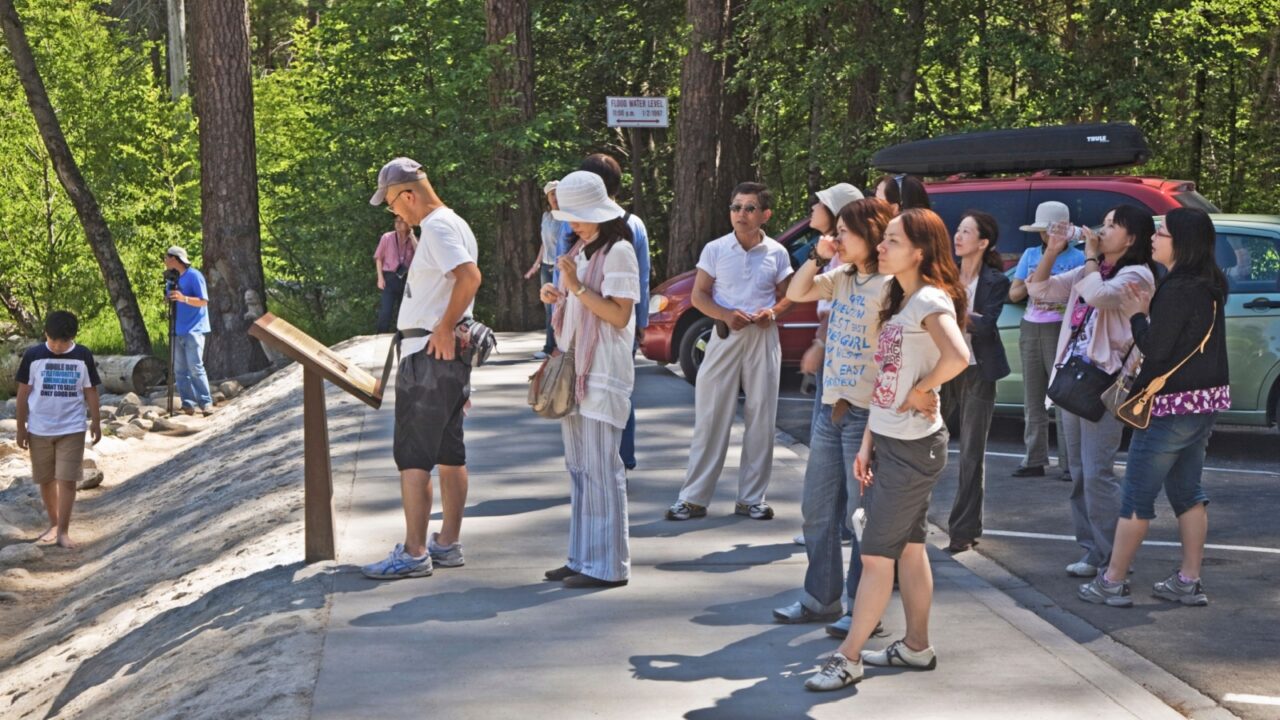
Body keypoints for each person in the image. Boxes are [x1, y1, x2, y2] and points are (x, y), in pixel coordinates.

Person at [805, 208, 969, 692]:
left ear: (919, 251)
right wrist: (871, 439)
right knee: (910, 549)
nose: (882, 246)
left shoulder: (929, 298)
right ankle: (916, 647)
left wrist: (924, 387)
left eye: (892, 241)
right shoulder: (901, 297)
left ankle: (848, 656)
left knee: (876, 554)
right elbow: (887, 380)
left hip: (914, 447)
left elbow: (959, 356)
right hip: (891, 438)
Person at [1078, 208, 1229, 607]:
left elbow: (1156, 350)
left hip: (1170, 407)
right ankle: (1188, 579)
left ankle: (1111, 581)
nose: (1154, 238)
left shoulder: (1179, 289)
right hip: (1202, 404)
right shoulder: (1207, 284)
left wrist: (1138, 317)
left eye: (1161, 233)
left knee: (1136, 499)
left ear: (1181, 241)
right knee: (1187, 493)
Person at [776, 198, 892, 637]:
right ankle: (819, 599)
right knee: (817, 510)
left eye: (845, 232)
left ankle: (863, 610)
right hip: (830, 408)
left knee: (861, 518)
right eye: (836, 230)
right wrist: (816, 255)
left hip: (866, 416)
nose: (836, 238)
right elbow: (796, 292)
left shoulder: (892, 285)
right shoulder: (842, 276)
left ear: (872, 234)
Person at [362, 157, 482, 580]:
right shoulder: (456, 223)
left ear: (409, 195)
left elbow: (469, 277)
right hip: (443, 357)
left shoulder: (437, 227)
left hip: (429, 354)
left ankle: (414, 551)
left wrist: (445, 327)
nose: (395, 213)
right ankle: (446, 544)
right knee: (449, 452)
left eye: (394, 203)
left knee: (414, 456)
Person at [1026, 205, 1156, 579]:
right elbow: (1039, 289)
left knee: (1098, 472)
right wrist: (1052, 250)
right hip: (1076, 379)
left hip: (1106, 384)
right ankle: (1093, 551)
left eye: (1112, 225)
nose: (1102, 229)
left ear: (1131, 238)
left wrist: (1090, 255)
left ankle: (1116, 559)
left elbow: (1099, 296)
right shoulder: (1094, 269)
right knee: (1080, 471)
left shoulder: (1137, 274)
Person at [666, 182, 793, 521]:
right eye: (737, 207)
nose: (741, 214)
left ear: (765, 214)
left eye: (750, 208)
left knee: (761, 418)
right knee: (710, 416)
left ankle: (752, 499)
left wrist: (774, 313)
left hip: (763, 337)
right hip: (724, 336)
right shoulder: (716, 249)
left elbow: (787, 296)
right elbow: (699, 296)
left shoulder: (777, 252)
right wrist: (724, 315)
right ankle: (693, 498)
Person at [538, 171, 640, 589]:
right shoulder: (583, 249)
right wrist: (559, 295)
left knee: (601, 468)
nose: (571, 224)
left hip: (601, 372)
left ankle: (609, 564)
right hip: (580, 370)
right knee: (581, 468)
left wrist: (576, 289)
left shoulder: (618, 252)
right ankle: (583, 556)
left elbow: (619, 314)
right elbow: (585, 306)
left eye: (578, 216)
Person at [794, 182, 864, 550]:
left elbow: (838, 309)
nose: (812, 209)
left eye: (818, 204)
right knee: (827, 463)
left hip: (853, 384)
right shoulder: (834, 258)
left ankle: (845, 528)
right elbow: (798, 291)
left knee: (846, 464)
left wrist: (820, 344)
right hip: (834, 374)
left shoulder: (857, 266)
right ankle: (835, 527)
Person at [576, 154, 651, 472]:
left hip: (611, 320)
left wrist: (636, 323)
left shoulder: (626, 227)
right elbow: (645, 280)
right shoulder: (630, 223)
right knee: (618, 391)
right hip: (597, 322)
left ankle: (618, 459)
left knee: (615, 390)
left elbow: (640, 278)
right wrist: (642, 322)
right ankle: (614, 458)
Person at [942, 210, 1011, 553]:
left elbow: (986, 326)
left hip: (978, 370)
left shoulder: (996, 280)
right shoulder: (944, 276)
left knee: (971, 452)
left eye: (965, 231)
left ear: (983, 242)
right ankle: (910, 522)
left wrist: (948, 315)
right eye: (957, 229)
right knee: (925, 444)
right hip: (943, 368)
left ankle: (964, 529)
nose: (958, 236)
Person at [1009, 201, 1086, 479]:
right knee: (1033, 397)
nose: (1046, 236)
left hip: (1063, 330)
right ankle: (1034, 459)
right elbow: (1014, 293)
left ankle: (1069, 463)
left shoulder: (1080, 258)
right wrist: (1034, 282)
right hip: (1031, 326)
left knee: (1062, 396)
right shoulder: (1030, 254)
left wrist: (1046, 285)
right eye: (1042, 231)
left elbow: (1083, 297)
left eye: (1050, 231)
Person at [14, 311, 102, 549]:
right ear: (46, 334)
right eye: (53, 341)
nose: (58, 346)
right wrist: (21, 428)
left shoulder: (82, 355)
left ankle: (63, 531)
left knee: (67, 479)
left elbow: (90, 391)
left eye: (63, 342)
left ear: (72, 337)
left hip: (72, 427)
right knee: (46, 479)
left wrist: (96, 421)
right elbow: (23, 393)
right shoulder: (34, 356)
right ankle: (53, 524)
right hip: (39, 428)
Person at [164, 245, 214, 416]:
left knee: (195, 367)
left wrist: (183, 298)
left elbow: (203, 301)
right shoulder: (172, 279)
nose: (164, 260)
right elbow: (170, 300)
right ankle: (188, 403)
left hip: (194, 329)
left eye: (166, 257)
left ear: (175, 259)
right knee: (179, 370)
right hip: (177, 329)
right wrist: (168, 298)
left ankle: (206, 403)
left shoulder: (194, 276)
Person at [525, 181, 563, 360]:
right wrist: (536, 264)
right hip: (546, 267)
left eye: (558, 193)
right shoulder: (546, 217)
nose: (555, 197)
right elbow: (544, 243)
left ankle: (563, 346)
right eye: (552, 194)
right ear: (547, 197)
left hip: (561, 268)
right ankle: (549, 347)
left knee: (561, 307)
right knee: (549, 309)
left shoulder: (567, 217)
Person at [374, 216, 419, 334]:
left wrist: (412, 236)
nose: (398, 224)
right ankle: (380, 336)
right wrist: (380, 278)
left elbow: (420, 255)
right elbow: (379, 258)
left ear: (409, 224)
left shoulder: (413, 240)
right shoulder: (387, 237)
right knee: (386, 311)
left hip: (406, 279)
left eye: (401, 221)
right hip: (389, 277)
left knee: (403, 310)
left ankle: (401, 336)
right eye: (396, 221)